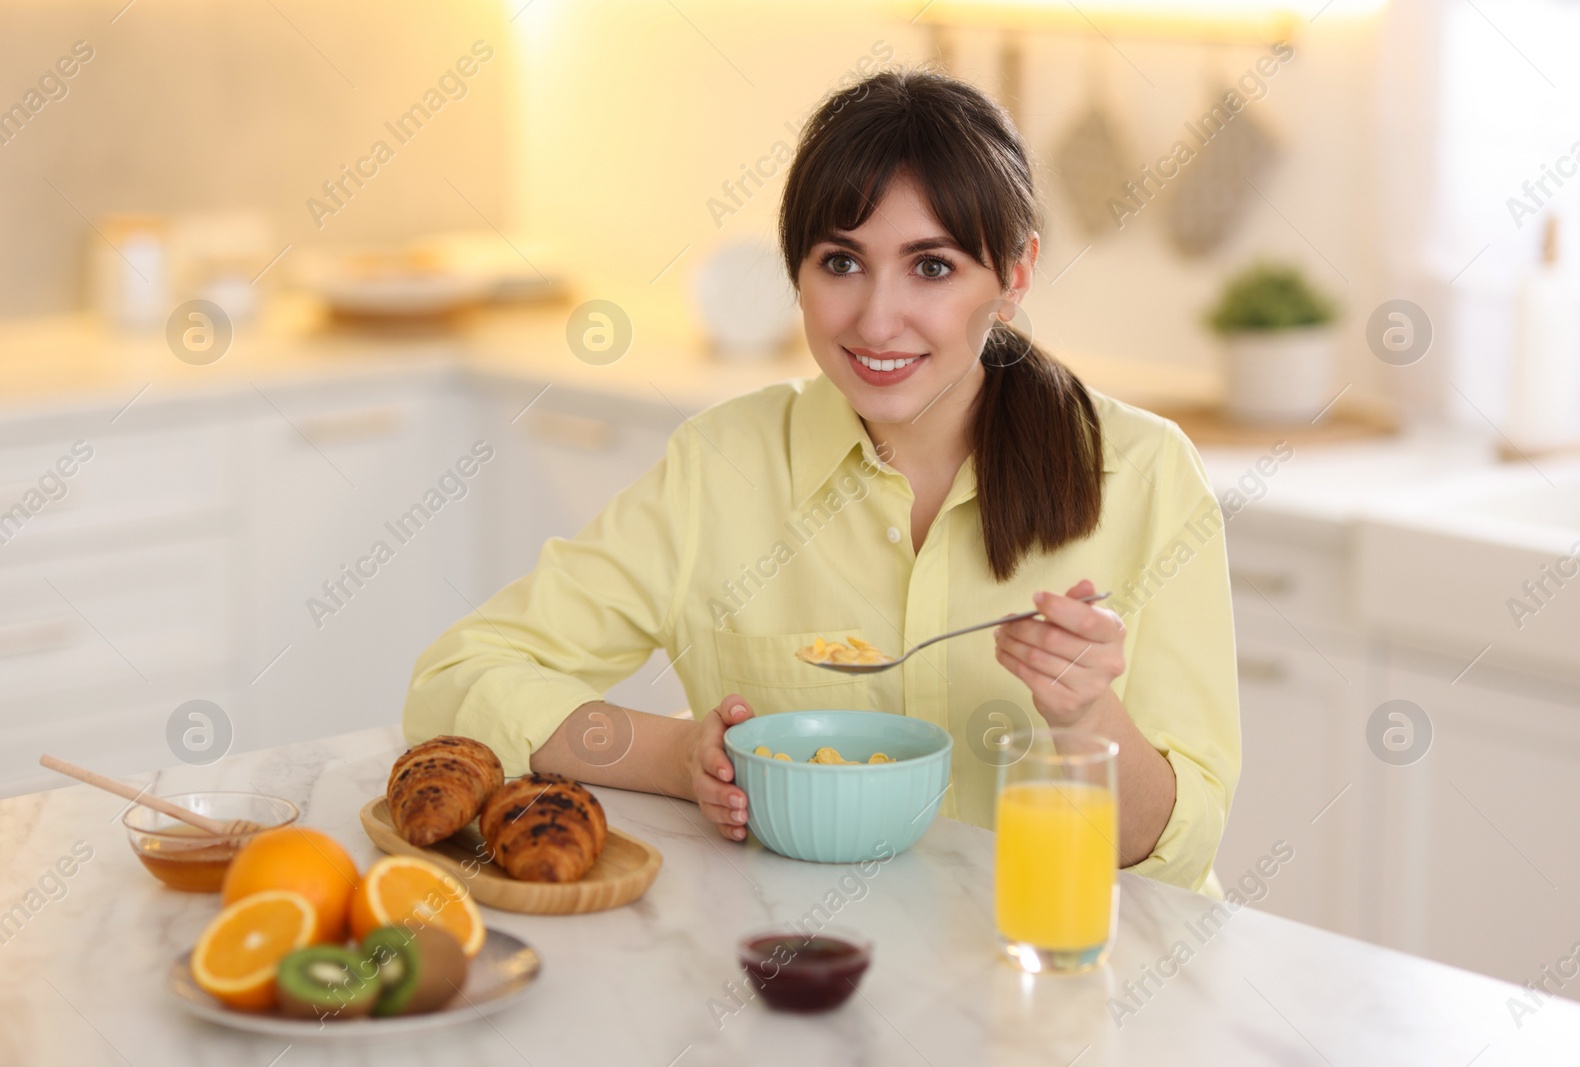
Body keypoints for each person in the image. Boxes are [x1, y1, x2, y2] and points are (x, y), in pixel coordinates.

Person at [403, 68, 1240, 898]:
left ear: (1014, 276)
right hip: (805, 973)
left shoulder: (1144, 476)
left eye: (933, 268)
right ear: (796, 273)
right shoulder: (723, 465)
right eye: (841, 262)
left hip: (1058, 977)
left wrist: (1086, 715)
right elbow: (458, 678)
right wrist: (682, 756)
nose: (876, 320)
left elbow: (1178, 848)